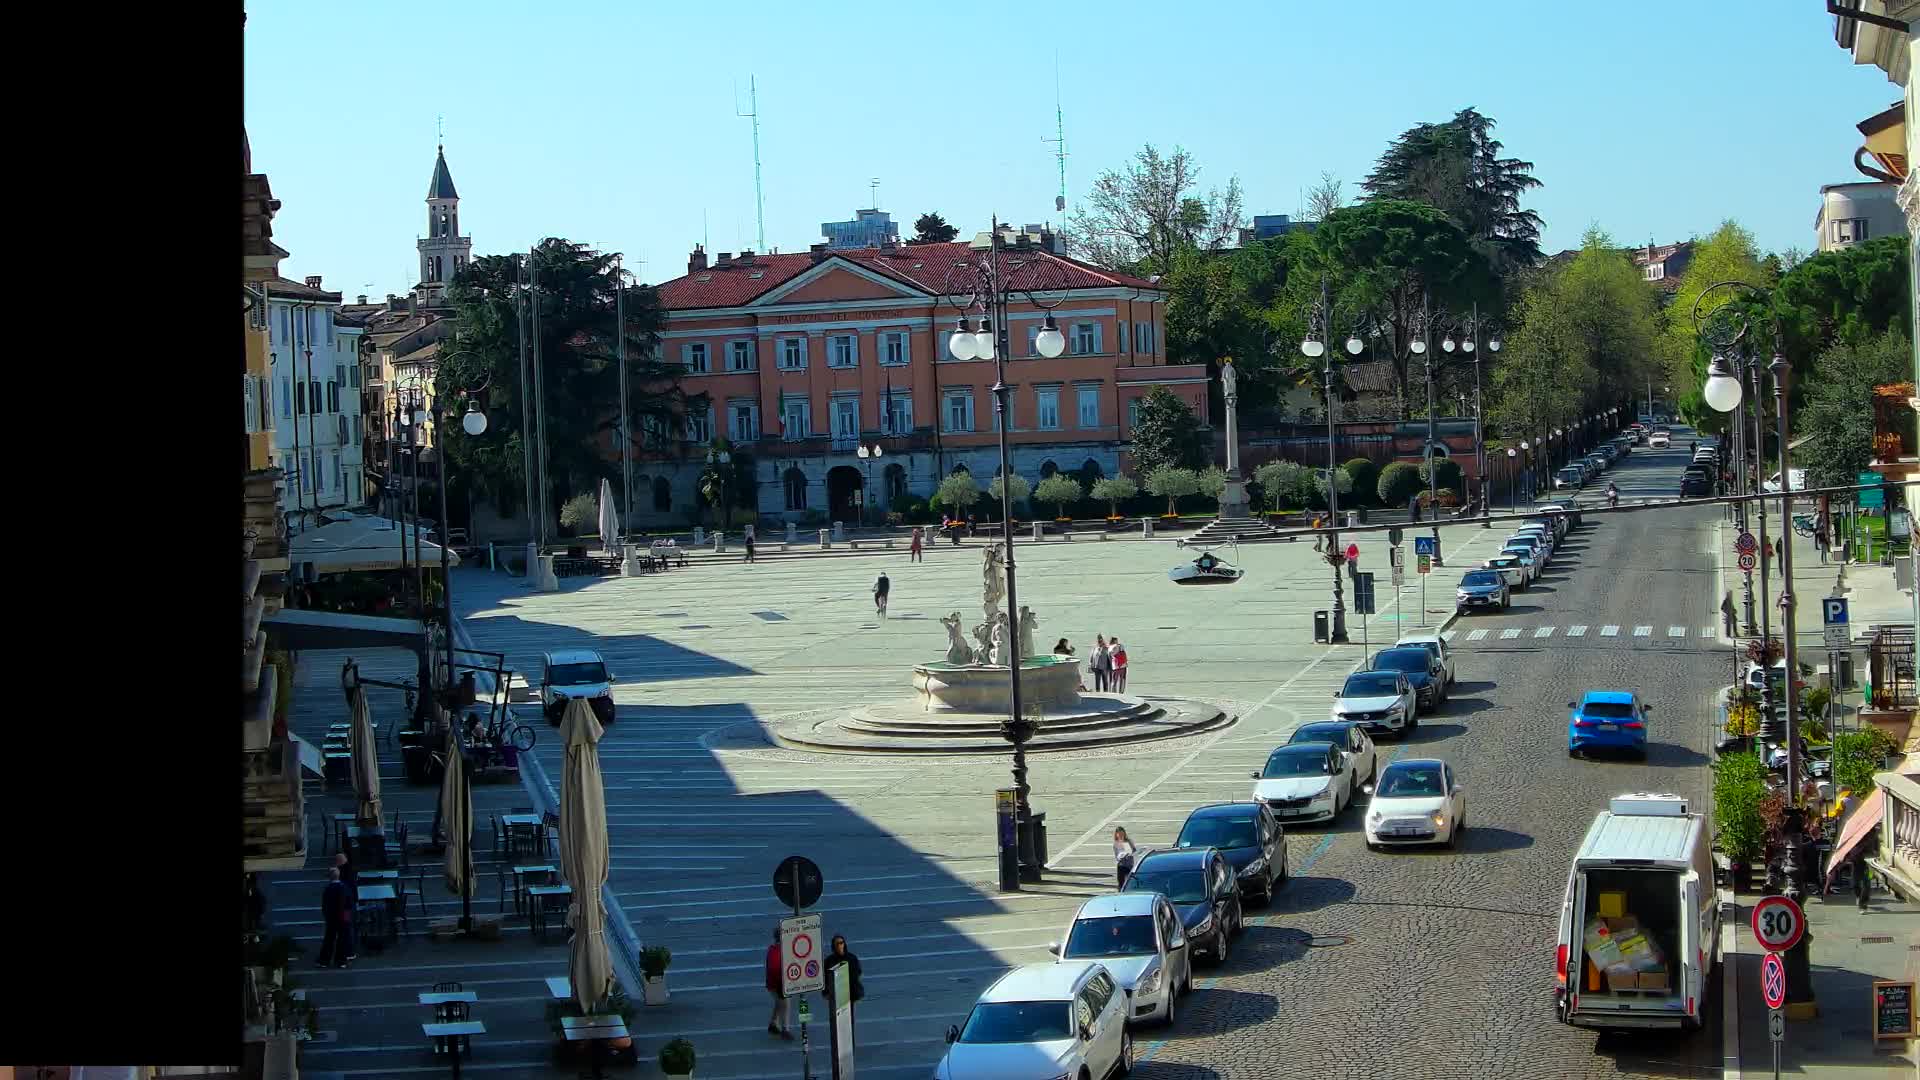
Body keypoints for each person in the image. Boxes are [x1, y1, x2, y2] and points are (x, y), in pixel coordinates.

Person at [317, 868, 354, 968]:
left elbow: (325, 905)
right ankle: (341, 960)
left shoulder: (328, 889)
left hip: (332, 917)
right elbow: (349, 903)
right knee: (343, 939)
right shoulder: (344, 887)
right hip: (343, 917)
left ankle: (324, 960)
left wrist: (327, 915)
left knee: (329, 938)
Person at [765, 927, 793, 1039]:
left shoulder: (772, 949)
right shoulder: (780, 950)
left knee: (779, 1003)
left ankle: (773, 1024)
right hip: (778, 984)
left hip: (772, 984)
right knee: (785, 1004)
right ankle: (785, 1029)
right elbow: (776, 969)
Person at [824, 935, 865, 1006]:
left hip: (850, 994)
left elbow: (858, 973)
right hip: (835, 995)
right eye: (837, 944)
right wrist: (826, 992)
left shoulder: (852, 958)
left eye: (841, 943)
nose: (839, 945)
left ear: (844, 944)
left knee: (850, 1014)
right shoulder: (829, 961)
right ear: (833, 946)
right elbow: (826, 978)